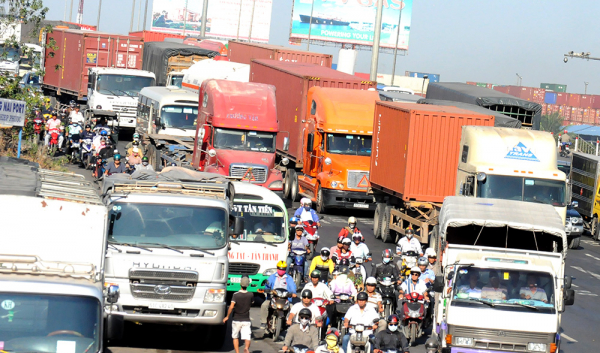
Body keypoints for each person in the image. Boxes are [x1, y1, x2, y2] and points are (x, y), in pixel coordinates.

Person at [260, 261, 297, 329]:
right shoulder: (272, 277)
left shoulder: (289, 278)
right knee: (264, 305)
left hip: (285, 298)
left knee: (293, 308)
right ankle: (263, 322)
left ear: (285, 270)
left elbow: (292, 287)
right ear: (277, 269)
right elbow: (267, 285)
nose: (281, 270)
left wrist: (293, 293)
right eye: (280, 269)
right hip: (273, 297)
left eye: (283, 269)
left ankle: (290, 323)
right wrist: (266, 290)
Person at [223, 276, 253, 353]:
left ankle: (237, 352)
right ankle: (246, 348)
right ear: (248, 285)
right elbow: (252, 302)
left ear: (240, 284)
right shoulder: (251, 294)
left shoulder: (235, 295)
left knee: (235, 337)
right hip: (246, 320)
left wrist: (227, 316)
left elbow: (231, 307)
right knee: (247, 337)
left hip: (236, 319)